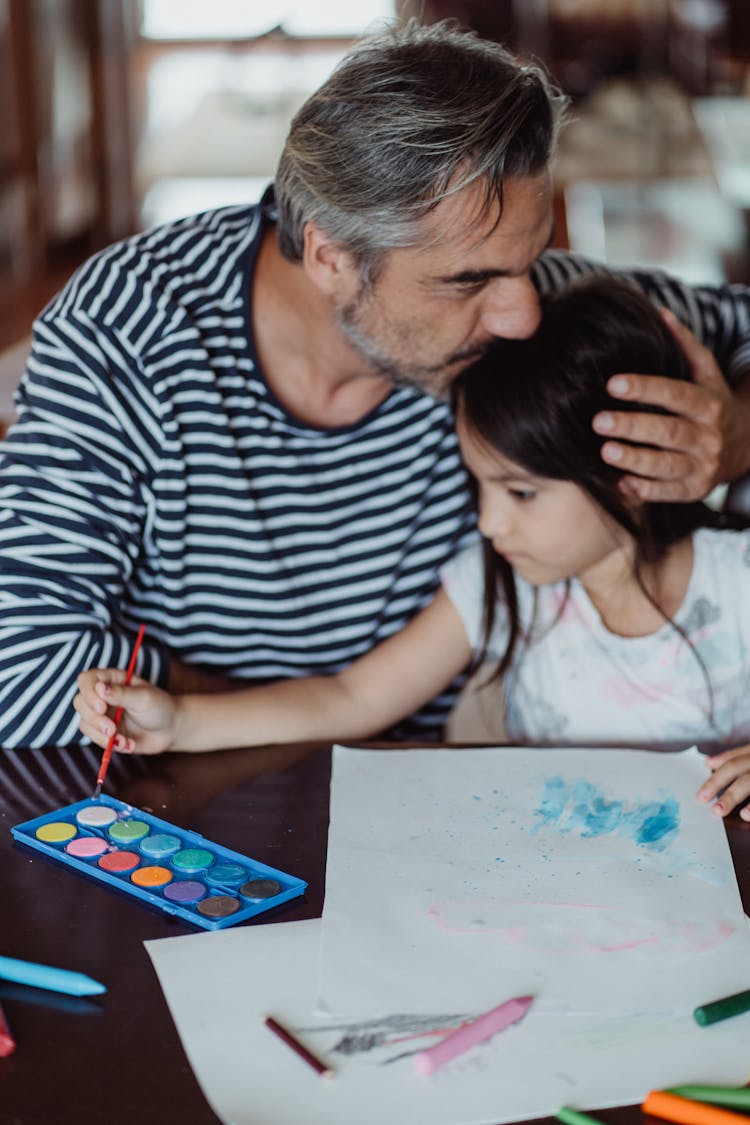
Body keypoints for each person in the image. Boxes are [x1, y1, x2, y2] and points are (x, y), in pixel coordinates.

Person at [4, 21, 750, 750]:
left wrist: (738, 434)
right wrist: (229, 720)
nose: (523, 313)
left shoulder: (547, 307)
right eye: (470, 278)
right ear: (330, 258)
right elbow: (19, 674)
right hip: (203, 792)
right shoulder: (129, 330)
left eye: (529, 259)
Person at [75, 275, 750, 818]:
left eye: (520, 493)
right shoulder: (499, 586)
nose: (488, 524)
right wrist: (178, 723)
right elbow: (351, 697)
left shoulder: (735, 580)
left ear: (632, 476)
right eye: (480, 488)